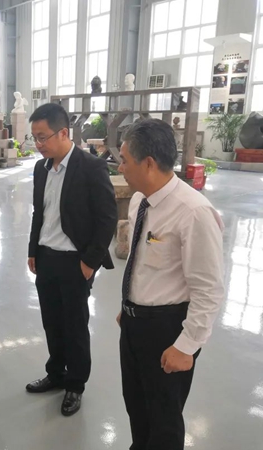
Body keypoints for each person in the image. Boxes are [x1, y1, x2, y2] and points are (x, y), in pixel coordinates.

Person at [117, 119, 224, 450]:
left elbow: (208, 289)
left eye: (124, 160)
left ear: (148, 163)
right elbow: (142, 262)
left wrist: (187, 345)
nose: (120, 167)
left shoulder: (193, 212)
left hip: (167, 330)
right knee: (137, 408)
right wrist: (129, 306)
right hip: (133, 324)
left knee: (164, 420)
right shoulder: (140, 200)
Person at [26, 103, 117, 416]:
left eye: (42, 137)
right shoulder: (41, 169)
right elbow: (39, 212)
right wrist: (33, 250)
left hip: (75, 260)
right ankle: (56, 373)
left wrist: (90, 262)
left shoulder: (90, 167)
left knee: (75, 325)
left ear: (63, 133)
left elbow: (107, 218)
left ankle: (75, 384)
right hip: (46, 257)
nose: (38, 144)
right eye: (34, 138)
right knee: (52, 321)